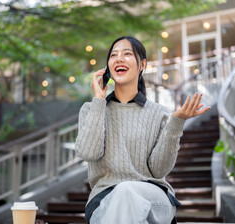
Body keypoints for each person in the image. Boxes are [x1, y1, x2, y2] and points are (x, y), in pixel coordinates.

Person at [75, 36, 210, 224]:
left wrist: (176, 122)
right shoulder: (91, 110)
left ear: (142, 65)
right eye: (113, 55)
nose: (119, 58)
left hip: (152, 197)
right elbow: (89, 152)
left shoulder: (159, 113)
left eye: (127, 54)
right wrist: (98, 101)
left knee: (126, 190)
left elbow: (158, 170)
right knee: (124, 196)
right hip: (104, 202)